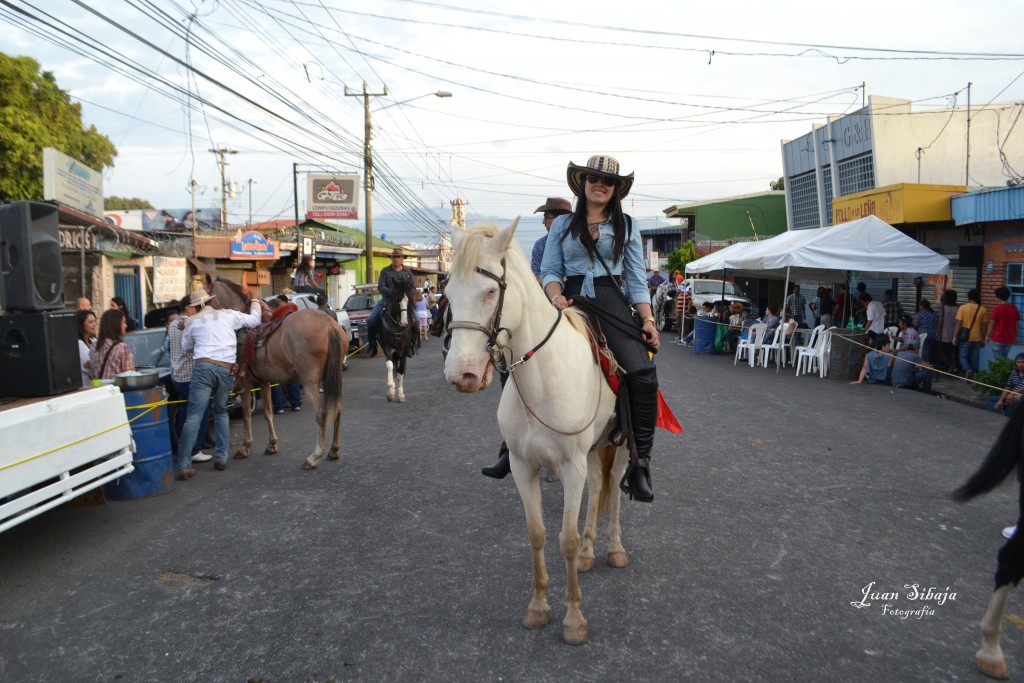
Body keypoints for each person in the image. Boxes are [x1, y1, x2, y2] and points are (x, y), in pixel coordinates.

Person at [540, 154, 659, 503]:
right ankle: (511, 444)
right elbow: (549, 270)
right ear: (582, 183)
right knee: (520, 353)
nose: (600, 184)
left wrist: (648, 320)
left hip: (611, 303)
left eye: (607, 181)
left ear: (616, 189)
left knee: (642, 372)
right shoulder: (562, 225)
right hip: (571, 302)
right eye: (593, 178)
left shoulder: (628, 226)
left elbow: (637, 279)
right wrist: (556, 296)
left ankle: (639, 465)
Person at [175, 289, 261, 480]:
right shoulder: (228, 315)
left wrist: (190, 329)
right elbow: (255, 320)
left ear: (194, 307)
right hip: (226, 368)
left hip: (203, 367)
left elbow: (186, 348)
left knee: (194, 416)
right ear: (209, 302)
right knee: (221, 411)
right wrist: (255, 301)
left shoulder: (192, 321)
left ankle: (183, 464)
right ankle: (221, 457)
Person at [167, 296, 213, 463]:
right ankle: (194, 449)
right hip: (191, 374)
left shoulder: (172, 324)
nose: (201, 310)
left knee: (184, 413)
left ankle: (183, 448)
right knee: (198, 414)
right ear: (189, 309)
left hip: (177, 375)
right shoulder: (191, 323)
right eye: (197, 307)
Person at [366, 248, 415, 356]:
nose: (396, 259)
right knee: (370, 320)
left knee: (418, 321)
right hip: (387, 300)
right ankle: (372, 346)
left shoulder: (408, 272)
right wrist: (393, 293)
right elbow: (381, 287)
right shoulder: (385, 271)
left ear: (402, 258)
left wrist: (407, 295)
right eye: (394, 257)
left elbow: (413, 288)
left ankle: (411, 345)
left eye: (398, 257)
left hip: (404, 302)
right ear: (391, 258)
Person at [531, 197, 573, 283]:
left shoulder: (578, 242)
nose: (543, 222)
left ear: (560, 219)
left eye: (546, 217)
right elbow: (536, 279)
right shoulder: (540, 244)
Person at [89, 309, 135, 379]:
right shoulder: (122, 347)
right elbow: (129, 378)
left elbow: (92, 374)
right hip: (115, 389)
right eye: (123, 322)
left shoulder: (94, 346)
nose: (126, 326)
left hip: (99, 389)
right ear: (116, 325)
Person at [953, 288, 988, 378]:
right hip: (977, 337)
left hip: (965, 337)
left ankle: (967, 370)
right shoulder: (983, 309)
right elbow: (985, 326)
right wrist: (984, 338)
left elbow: (959, 323)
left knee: (962, 356)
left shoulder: (962, 308)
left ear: (968, 297)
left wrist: (954, 336)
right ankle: (973, 377)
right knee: (974, 358)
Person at [986, 286, 1021, 359]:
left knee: (998, 360)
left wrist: (987, 336)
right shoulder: (1013, 308)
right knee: (1004, 359)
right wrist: (1017, 336)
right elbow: (1017, 324)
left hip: (997, 338)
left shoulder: (997, 309)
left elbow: (991, 324)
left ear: (998, 297)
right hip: (1009, 339)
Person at [936, 289, 961, 374]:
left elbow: (940, 320)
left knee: (940, 351)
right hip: (954, 333)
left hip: (944, 332)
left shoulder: (942, 307)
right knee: (951, 352)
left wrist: (938, 331)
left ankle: (950, 366)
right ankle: (951, 367)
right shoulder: (958, 307)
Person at [77, 309, 97, 387]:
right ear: (81, 324)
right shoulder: (79, 343)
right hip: (85, 385)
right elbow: (90, 366)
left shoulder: (94, 340)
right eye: (90, 322)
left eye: (95, 321)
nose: (94, 324)